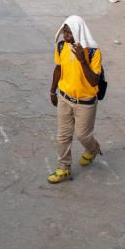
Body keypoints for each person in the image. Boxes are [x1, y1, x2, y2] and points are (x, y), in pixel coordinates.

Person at [48, 15, 103, 184]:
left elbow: (94, 81)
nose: (66, 36)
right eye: (64, 32)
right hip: (64, 98)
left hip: (85, 103)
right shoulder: (62, 46)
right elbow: (58, 68)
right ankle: (63, 168)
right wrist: (52, 91)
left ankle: (93, 149)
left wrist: (82, 60)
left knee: (82, 135)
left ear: (78, 32)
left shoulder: (93, 51)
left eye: (69, 33)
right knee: (63, 137)